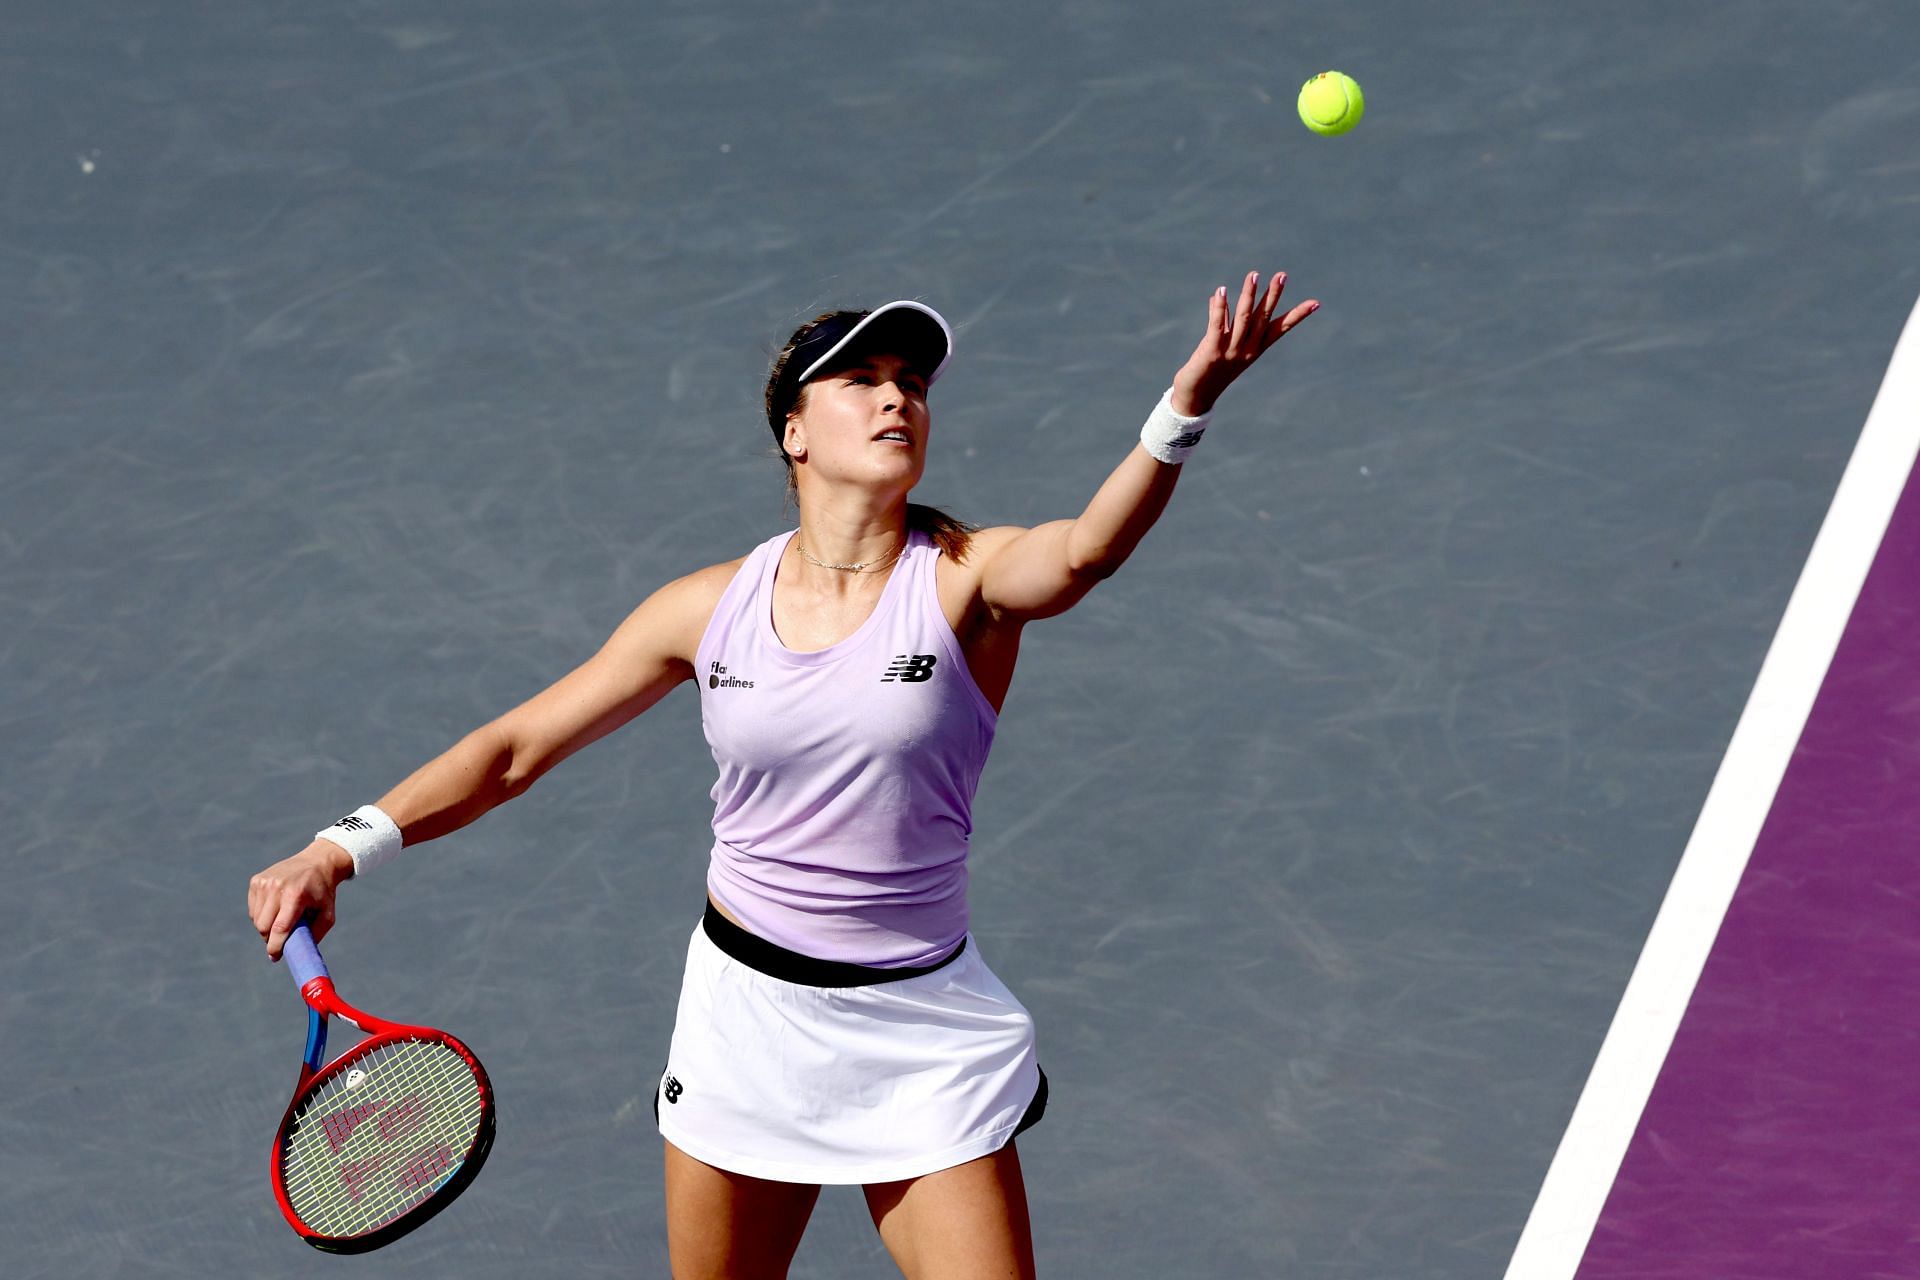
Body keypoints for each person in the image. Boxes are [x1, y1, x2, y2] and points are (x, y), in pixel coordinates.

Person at [247, 272, 1318, 1279]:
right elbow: (516, 748)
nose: (896, 398)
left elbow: (1083, 552)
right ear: (795, 434)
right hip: (746, 1023)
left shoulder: (967, 578)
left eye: (912, 384)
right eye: (862, 380)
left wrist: (1182, 410)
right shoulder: (707, 607)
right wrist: (340, 843)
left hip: (922, 1033)